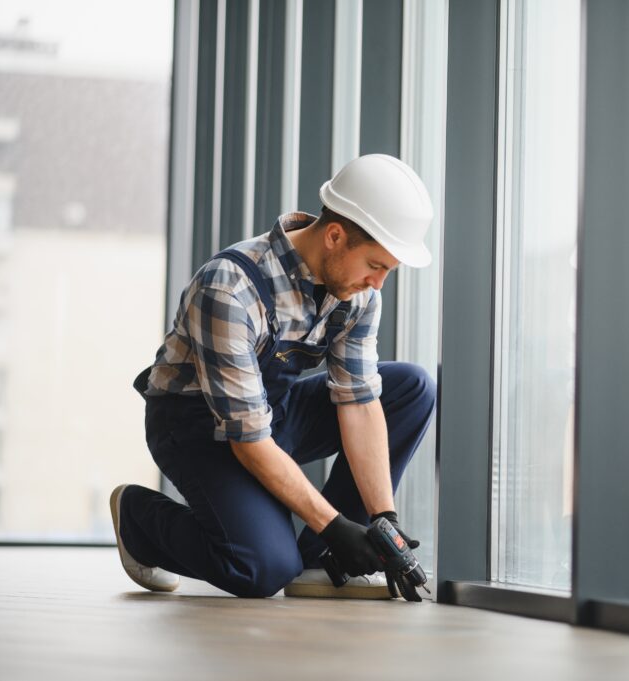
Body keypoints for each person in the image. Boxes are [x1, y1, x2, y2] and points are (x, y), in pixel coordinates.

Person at [110, 154, 436, 601]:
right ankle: (138, 520)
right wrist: (336, 525)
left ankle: (326, 559)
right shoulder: (229, 289)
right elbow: (250, 441)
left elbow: (358, 401)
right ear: (335, 236)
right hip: (196, 427)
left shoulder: (358, 294)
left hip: (270, 411)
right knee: (262, 569)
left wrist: (384, 519)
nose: (378, 284)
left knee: (411, 388)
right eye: (375, 266)